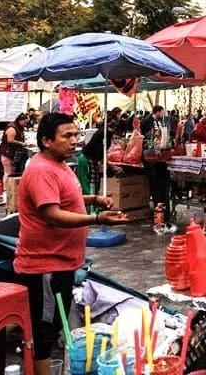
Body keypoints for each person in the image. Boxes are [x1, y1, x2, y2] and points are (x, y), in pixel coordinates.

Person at [14, 113, 128, 375]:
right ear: (46, 141)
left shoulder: (60, 164)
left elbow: (65, 197)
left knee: (54, 326)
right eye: (67, 136)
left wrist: (92, 199)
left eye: (76, 135)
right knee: (44, 333)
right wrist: (97, 217)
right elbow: (52, 213)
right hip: (45, 267)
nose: (75, 141)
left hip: (61, 263)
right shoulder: (41, 170)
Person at [0, 113, 30, 193]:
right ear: (20, 120)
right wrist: (21, 143)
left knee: (10, 171)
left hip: (11, 152)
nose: (25, 124)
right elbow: (10, 140)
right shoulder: (12, 128)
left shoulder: (18, 127)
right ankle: (6, 190)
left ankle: (9, 189)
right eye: (25, 122)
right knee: (8, 172)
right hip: (7, 152)